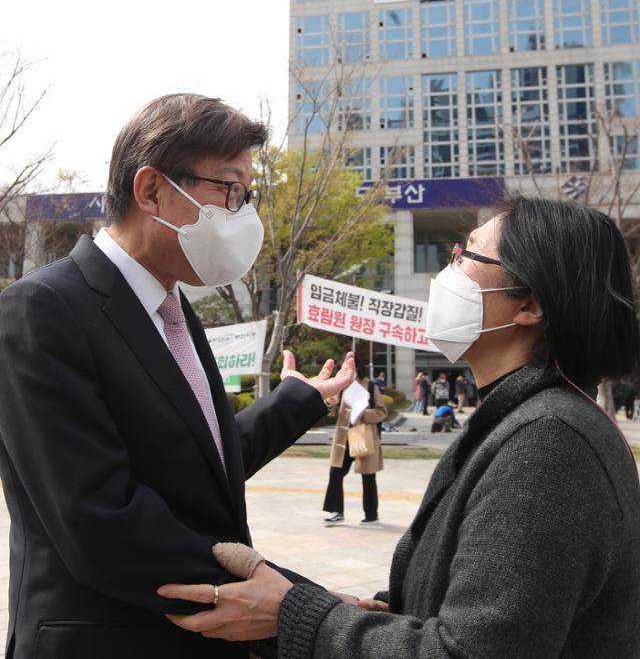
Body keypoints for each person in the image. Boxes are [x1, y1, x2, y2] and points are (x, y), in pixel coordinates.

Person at [159, 196, 640, 658]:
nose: (446, 273)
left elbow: (469, 651)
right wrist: (356, 613)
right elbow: (453, 613)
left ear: (528, 306)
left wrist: (295, 614)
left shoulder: (549, 445)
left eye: (464, 254)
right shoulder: (523, 421)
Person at [0, 94, 355, 659]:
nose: (242, 214)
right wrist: (298, 605)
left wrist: (297, 400)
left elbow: (195, 464)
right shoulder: (42, 309)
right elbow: (100, 521)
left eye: (247, 194)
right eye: (227, 190)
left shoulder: (173, 311)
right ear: (150, 190)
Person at [323, 354, 388, 525]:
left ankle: (371, 515)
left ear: (356, 368)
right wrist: (331, 404)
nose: (346, 370)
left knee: (368, 476)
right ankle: (336, 511)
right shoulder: (341, 387)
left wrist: (365, 414)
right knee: (335, 473)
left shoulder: (371, 386)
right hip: (343, 439)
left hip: (363, 436)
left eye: (349, 367)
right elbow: (333, 412)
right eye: (343, 367)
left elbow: (382, 411)